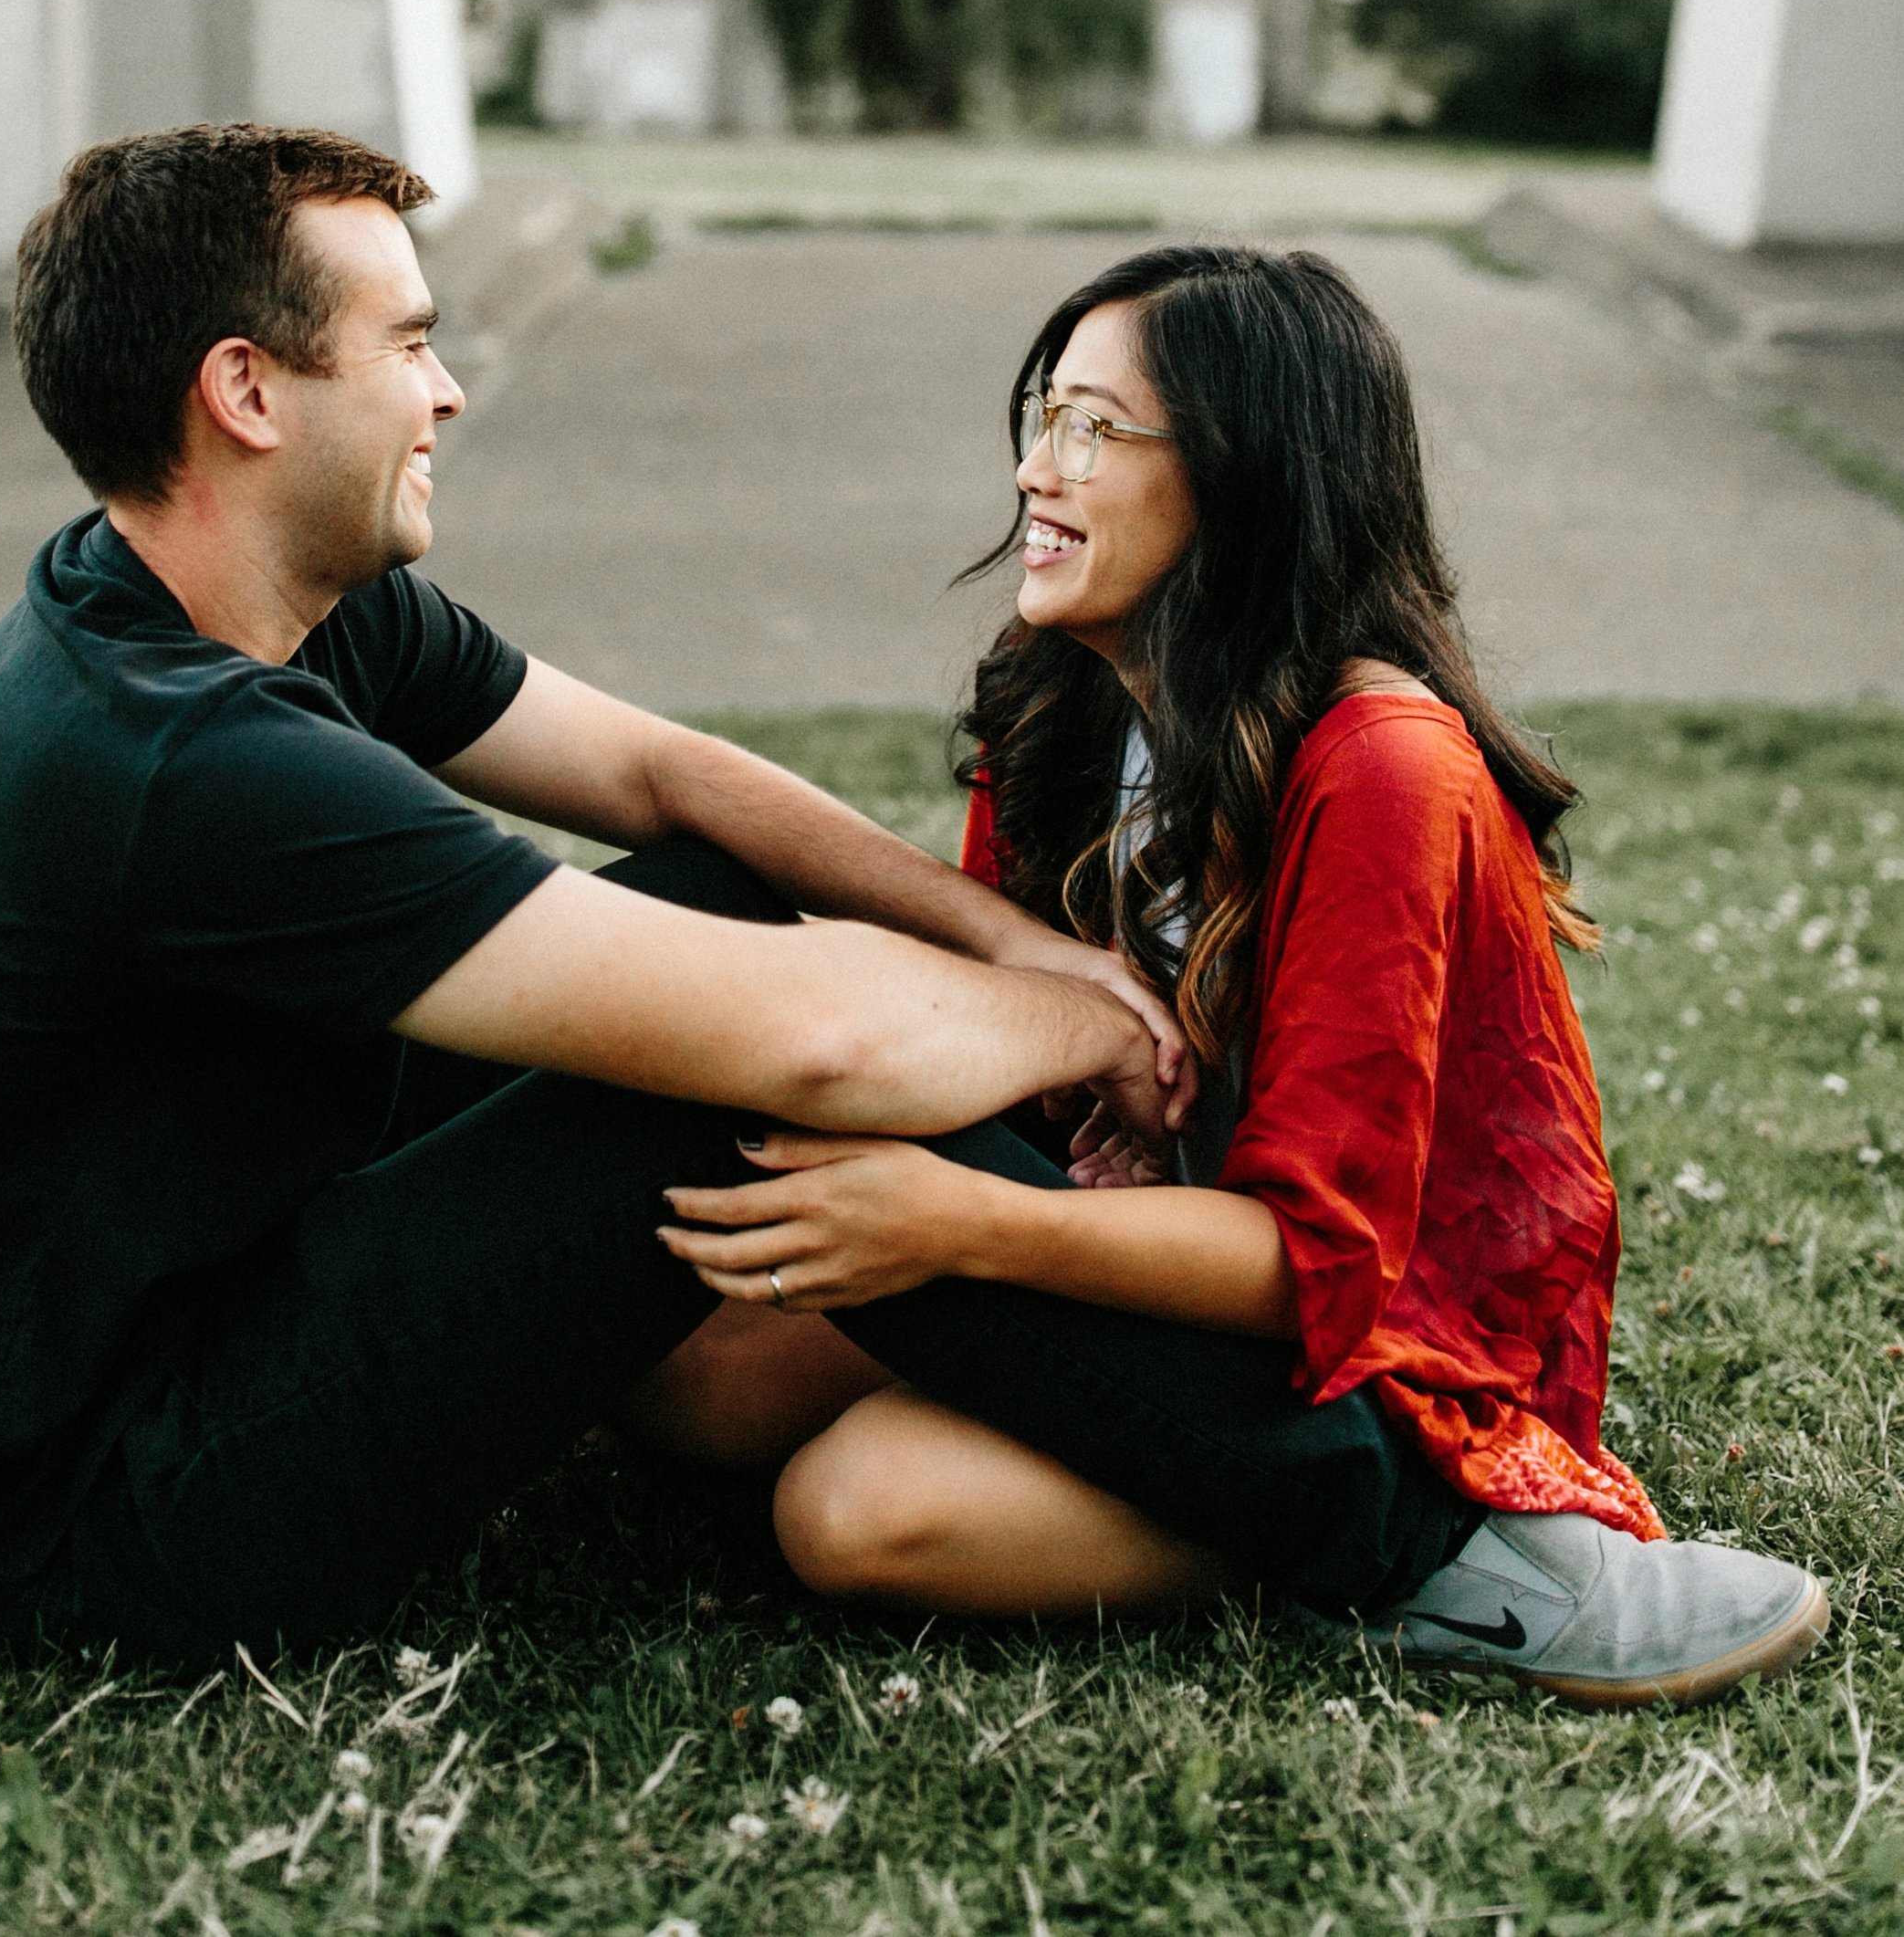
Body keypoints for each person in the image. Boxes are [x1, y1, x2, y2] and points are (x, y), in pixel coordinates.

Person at [0, 133, 1432, 1669]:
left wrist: (1005, 936)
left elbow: (665, 780)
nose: (447, 388)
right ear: (248, 393)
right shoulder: (176, 755)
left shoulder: (251, 600)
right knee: (712, 1082)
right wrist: (1086, 1022)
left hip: (183, 1292)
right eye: (406, 342)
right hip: (72, 1522)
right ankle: (1377, 1506)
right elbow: (820, 1048)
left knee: (724, 893)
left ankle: (1148, 1344)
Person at [651, 245, 1828, 1710]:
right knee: (706, 1384)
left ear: (1241, 475)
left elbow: (1319, 1265)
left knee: (854, 1511)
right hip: (1140, 1265)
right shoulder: (1061, 705)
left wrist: (957, 1221)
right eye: (1043, 416)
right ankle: (1118, 1434)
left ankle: (1419, 1553)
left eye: (1094, 428)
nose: (1035, 470)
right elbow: (1021, 1061)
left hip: (1366, 1360)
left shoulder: (1380, 765)